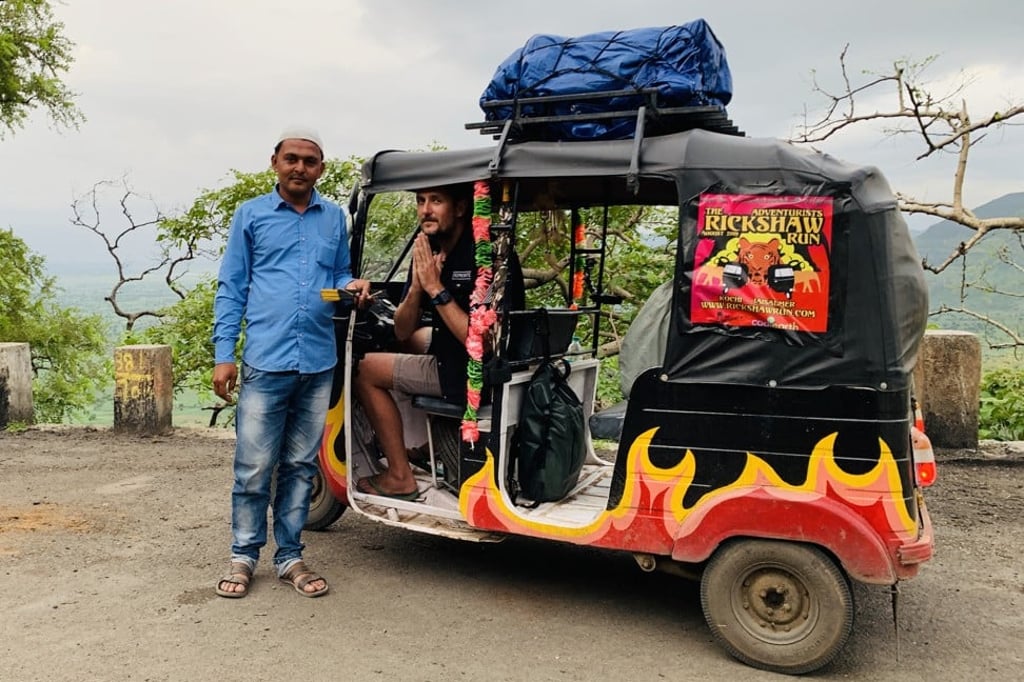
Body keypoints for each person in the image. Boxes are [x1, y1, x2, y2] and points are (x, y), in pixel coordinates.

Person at [211, 126, 370, 599]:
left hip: (318, 360)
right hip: (266, 359)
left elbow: (338, 273)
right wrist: (225, 356)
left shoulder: (332, 218)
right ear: (275, 162)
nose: (300, 167)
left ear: (321, 168)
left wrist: (353, 285)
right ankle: (243, 556)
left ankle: (289, 556)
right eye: (292, 158)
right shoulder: (251, 215)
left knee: (302, 465)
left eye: (310, 161)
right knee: (254, 465)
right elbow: (232, 286)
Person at [353, 184, 524, 499]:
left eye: (436, 201)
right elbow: (402, 330)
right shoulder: (428, 250)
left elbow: (480, 344)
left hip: (472, 372)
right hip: (453, 354)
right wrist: (418, 288)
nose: (425, 210)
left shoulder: (486, 255)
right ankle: (423, 445)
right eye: (420, 201)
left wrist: (435, 288)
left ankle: (400, 475)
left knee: (363, 370)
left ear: (459, 209)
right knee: (408, 342)